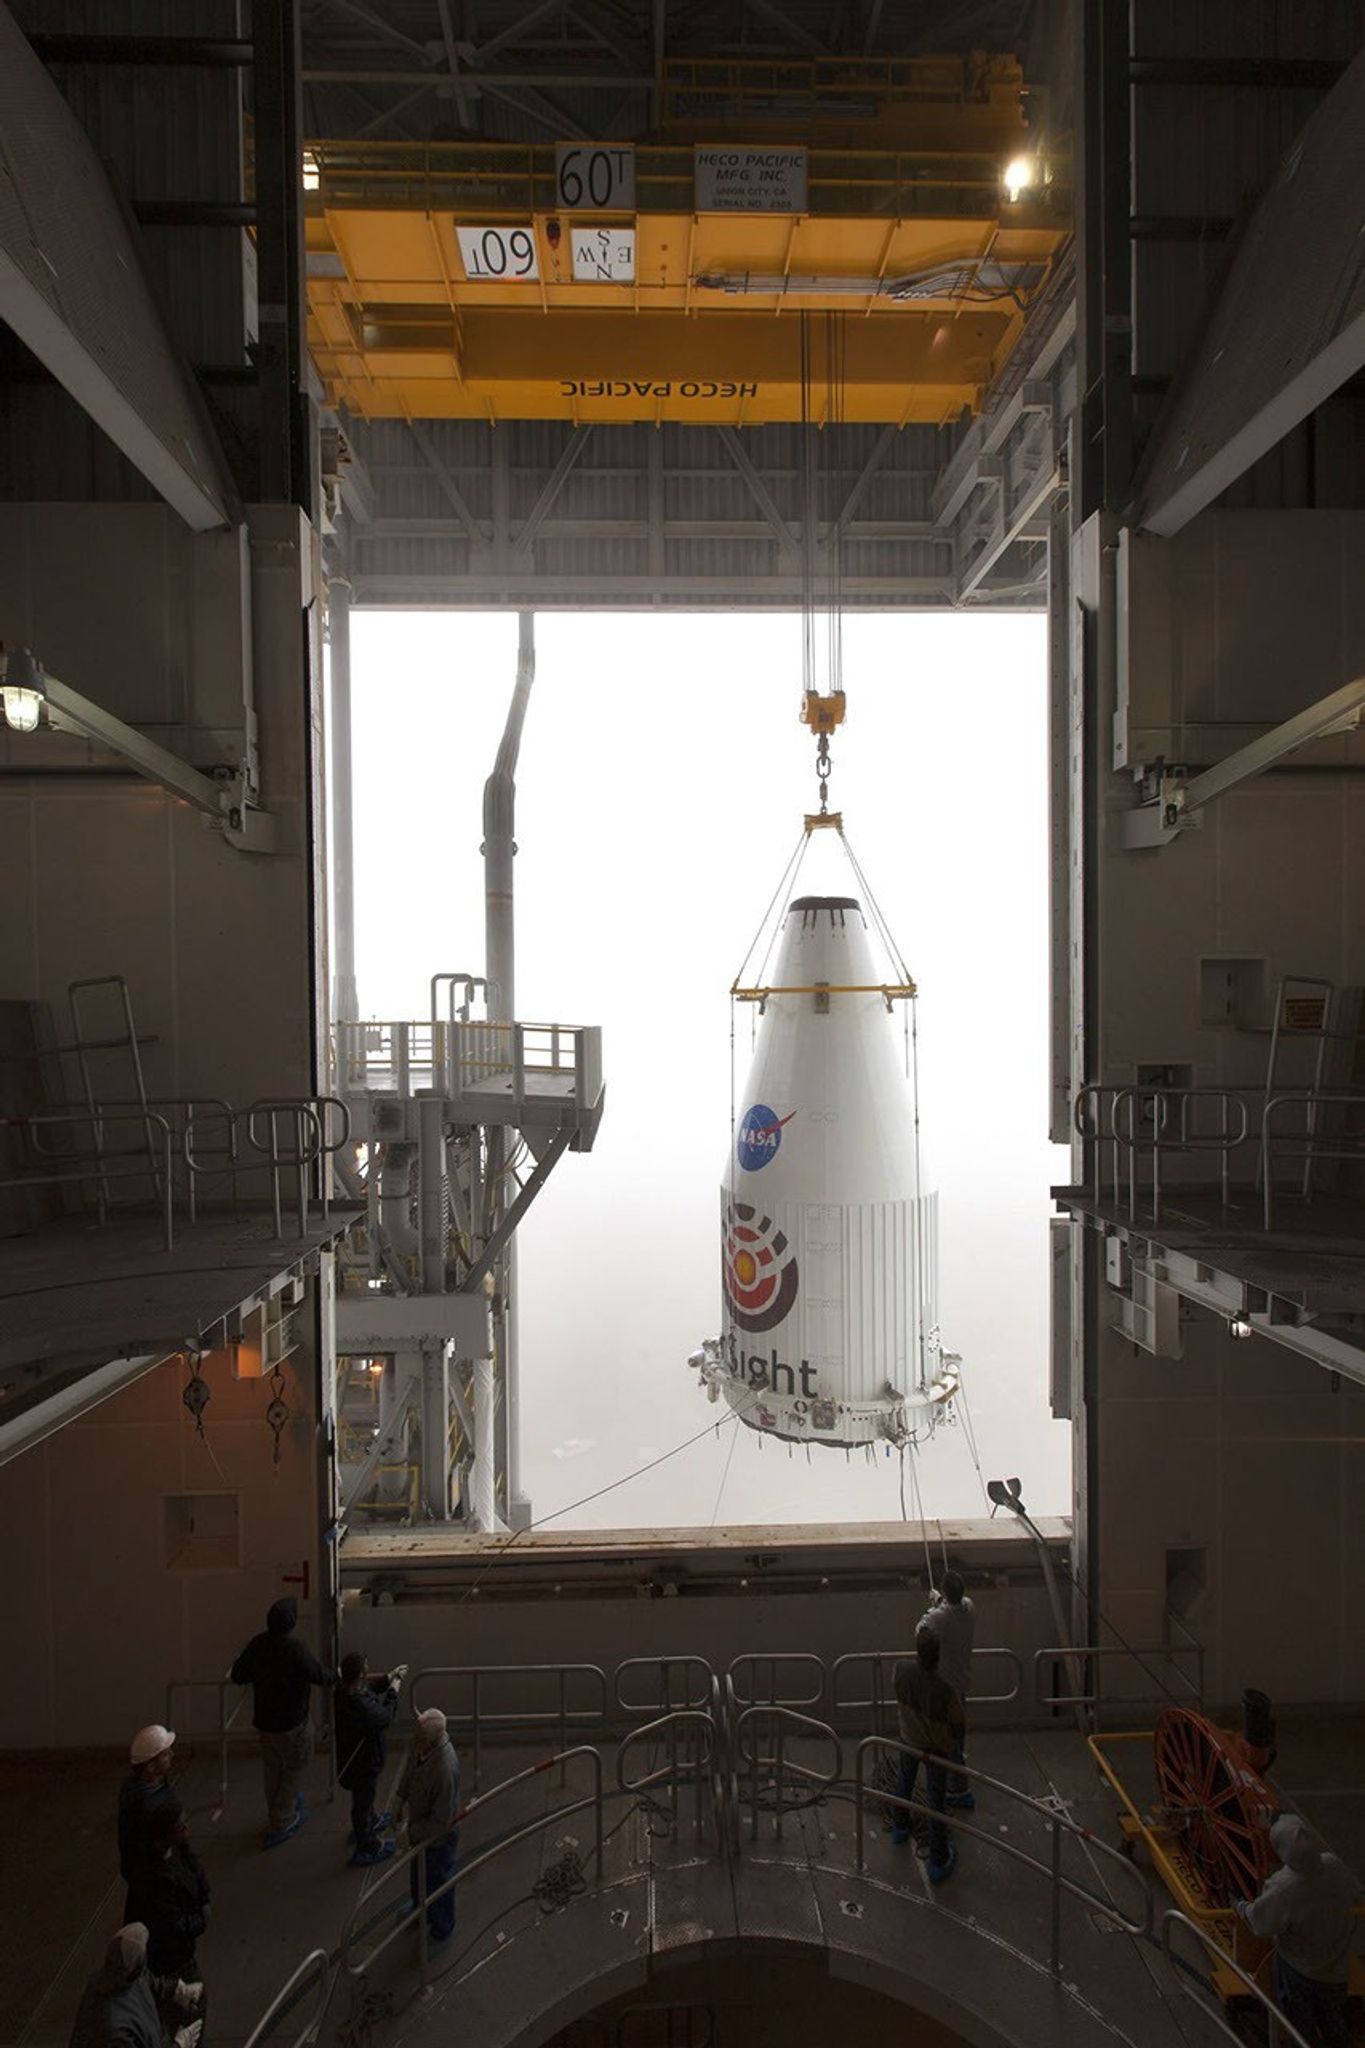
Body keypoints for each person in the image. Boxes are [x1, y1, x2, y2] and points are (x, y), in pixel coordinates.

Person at [1234, 1815, 1360, 2047]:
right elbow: (1353, 1893)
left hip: (1298, 1971)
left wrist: (1240, 1907)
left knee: (1299, 2027)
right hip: (1337, 1971)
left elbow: (1259, 1923)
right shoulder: (1333, 1864)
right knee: (1334, 2022)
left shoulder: (1284, 1887)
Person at [229, 1597, 334, 1847]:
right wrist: (337, 1677)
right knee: (295, 1767)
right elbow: (318, 1674)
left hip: (265, 1722)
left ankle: (275, 1812)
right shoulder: (295, 1648)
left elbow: (238, 1674)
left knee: (273, 1770)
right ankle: (283, 1819)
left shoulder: (258, 1644)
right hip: (292, 1722)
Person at [891, 1627, 964, 1885]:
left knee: (904, 1782)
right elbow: (958, 1725)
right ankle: (938, 1858)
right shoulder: (945, 1689)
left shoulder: (900, 1670)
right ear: (938, 1655)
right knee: (935, 1799)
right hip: (936, 1749)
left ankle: (899, 1826)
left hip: (909, 1739)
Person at [68, 1922, 202, 2048]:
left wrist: (175, 1990)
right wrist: (179, 2045)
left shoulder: (119, 1973)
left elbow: (146, 1979)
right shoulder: (116, 2030)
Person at [396, 1707, 461, 1946]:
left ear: (430, 1740)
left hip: (438, 1837)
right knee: (418, 1872)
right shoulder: (423, 1746)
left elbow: (442, 1821)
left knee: (438, 1880)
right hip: (420, 1825)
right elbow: (410, 1771)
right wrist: (399, 1800)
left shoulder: (444, 1769)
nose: (414, 1740)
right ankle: (418, 1908)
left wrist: (410, 1833)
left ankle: (441, 1929)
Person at [334, 1653, 407, 1866]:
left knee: (365, 1796)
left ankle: (370, 1821)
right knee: (363, 1799)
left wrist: (388, 1678)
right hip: (364, 1761)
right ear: (360, 1674)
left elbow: (368, 1688)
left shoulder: (343, 1692)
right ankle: (367, 1843)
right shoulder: (361, 1706)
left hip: (354, 1757)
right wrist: (394, 1691)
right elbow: (384, 1717)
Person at [127, 1804, 211, 1983]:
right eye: (181, 1827)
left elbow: (195, 1870)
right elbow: (171, 1926)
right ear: (163, 1837)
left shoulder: (178, 1848)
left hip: (182, 1945)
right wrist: (201, 1919)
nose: (186, 1829)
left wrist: (203, 1896)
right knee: (192, 1998)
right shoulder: (153, 1880)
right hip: (169, 1957)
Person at [918, 1569, 976, 1809]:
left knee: (946, 1735)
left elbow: (921, 1631)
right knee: (958, 1731)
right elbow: (955, 1606)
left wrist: (933, 1606)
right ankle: (957, 1775)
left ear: (943, 1592)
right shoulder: (970, 1608)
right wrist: (940, 1602)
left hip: (944, 1684)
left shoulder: (937, 1619)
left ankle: (956, 1785)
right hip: (962, 1681)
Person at [117, 1727, 177, 1915]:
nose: (172, 1755)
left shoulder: (138, 1791)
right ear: (151, 1767)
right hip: (153, 1875)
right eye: (165, 1754)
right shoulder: (149, 1805)